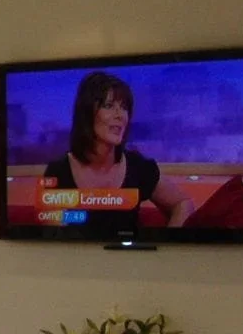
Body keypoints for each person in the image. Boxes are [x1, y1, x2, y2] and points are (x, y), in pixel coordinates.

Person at [41, 71, 193, 227]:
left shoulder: (137, 166)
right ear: (86, 113)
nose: (120, 115)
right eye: (109, 106)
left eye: (124, 107)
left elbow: (182, 203)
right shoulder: (58, 172)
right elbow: (54, 236)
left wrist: (169, 240)